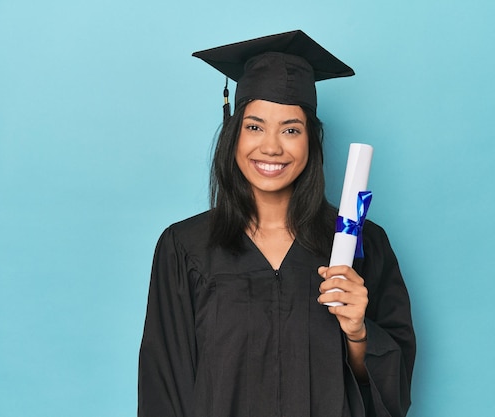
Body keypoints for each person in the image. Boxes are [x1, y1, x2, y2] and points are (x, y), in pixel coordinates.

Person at [138, 30, 415, 417]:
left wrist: (358, 333)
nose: (271, 146)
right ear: (233, 134)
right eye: (254, 126)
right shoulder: (185, 248)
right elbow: (163, 386)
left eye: (290, 129)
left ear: (311, 142)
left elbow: (390, 389)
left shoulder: (360, 244)